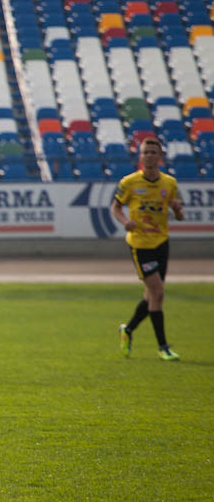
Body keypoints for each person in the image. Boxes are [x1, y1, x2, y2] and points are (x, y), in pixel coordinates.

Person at [112, 138, 184, 361]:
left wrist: (177, 210)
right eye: (146, 152)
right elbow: (115, 207)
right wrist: (125, 221)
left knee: (151, 295)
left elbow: (180, 215)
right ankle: (163, 347)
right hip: (140, 244)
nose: (149, 156)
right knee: (158, 293)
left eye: (153, 152)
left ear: (160, 156)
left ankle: (128, 330)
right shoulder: (129, 182)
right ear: (140, 156)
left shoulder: (169, 183)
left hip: (161, 243)